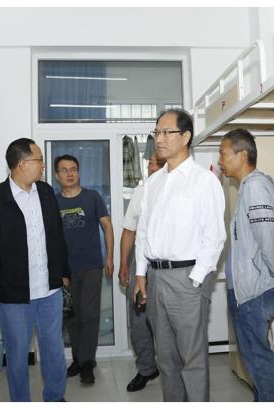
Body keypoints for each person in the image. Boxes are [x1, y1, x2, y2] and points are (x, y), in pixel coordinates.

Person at [134, 108, 226, 402]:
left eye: (166, 132)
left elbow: (215, 237)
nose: (159, 139)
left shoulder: (203, 180)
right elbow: (143, 232)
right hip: (156, 278)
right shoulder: (153, 183)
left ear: (185, 137)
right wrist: (140, 274)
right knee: (165, 358)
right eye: (156, 133)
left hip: (187, 278)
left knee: (192, 359)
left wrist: (196, 280)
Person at [0, 138, 70, 402]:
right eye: (39, 160)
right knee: (16, 357)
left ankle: (55, 398)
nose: (43, 166)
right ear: (22, 164)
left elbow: (57, 236)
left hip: (49, 290)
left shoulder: (46, 193)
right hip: (14, 295)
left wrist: (63, 272)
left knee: (54, 351)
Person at [218, 129, 274, 402]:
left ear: (242, 155)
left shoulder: (255, 186)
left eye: (223, 154)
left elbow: (267, 235)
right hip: (246, 291)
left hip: (253, 293)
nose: (220, 160)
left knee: (258, 359)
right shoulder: (247, 187)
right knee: (255, 359)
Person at [53, 154, 114, 385]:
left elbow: (107, 226)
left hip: (91, 266)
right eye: (64, 170)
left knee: (90, 315)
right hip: (65, 270)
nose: (69, 174)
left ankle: (87, 362)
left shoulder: (92, 197)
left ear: (79, 172)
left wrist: (110, 257)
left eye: (73, 169)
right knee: (72, 316)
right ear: (57, 176)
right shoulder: (53, 202)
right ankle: (78, 359)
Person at [117, 151, 166, 392]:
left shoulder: (176, 190)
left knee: (167, 321)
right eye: (151, 164)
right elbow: (129, 230)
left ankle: (171, 369)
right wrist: (124, 264)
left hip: (168, 267)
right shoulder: (140, 192)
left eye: (159, 164)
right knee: (139, 320)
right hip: (140, 265)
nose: (153, 168)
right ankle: (147, 368)